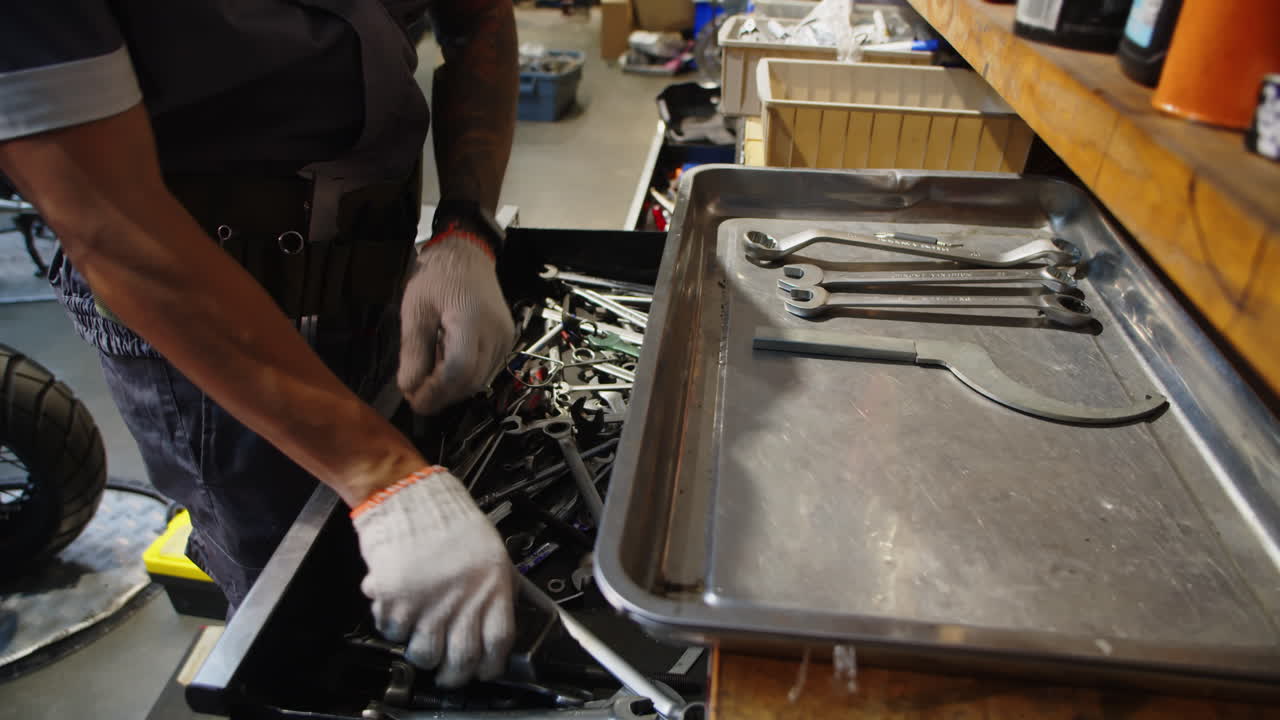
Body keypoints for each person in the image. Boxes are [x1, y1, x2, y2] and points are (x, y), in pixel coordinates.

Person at [0, 1, 519, 688]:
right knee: (292, 626)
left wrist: (465, 230)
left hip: (384, 275)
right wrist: (385, 477)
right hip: (204, 348)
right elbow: (110, 223)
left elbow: (479, 17)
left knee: (377, 579)